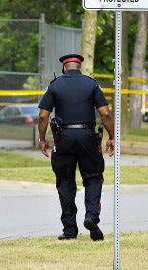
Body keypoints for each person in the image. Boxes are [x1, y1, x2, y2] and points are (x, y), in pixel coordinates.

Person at [38, 54, 114, 241]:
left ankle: (70, 230)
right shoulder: (92, 84)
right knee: (94, 177)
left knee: (65, 181)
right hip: (88, 137)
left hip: (63, 138)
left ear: (64, 68)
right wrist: (112, 136)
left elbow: (42, 116)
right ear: (80, 67)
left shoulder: (54, 86)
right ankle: (91, 217)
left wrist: (42, 139)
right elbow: (105, 114)